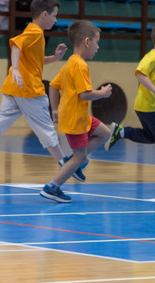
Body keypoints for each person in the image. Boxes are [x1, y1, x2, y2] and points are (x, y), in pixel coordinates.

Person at [0, 0, 74, 178]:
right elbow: (16, 45)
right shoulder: (35, 32)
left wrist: (54, 58)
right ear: (44, 14)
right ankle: (65, 164)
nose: (56, 19)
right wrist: (16, 69)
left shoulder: (35, 32)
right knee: (45, 126)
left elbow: (34, 61)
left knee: (1, 121)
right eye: (54, 15)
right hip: (28, 88)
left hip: (15, 87)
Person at [41, 21, 113, 202]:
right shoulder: (80, 65)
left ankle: (73, 162)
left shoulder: (69, 63)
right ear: (87, 42)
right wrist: (103, 93)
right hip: (75, 119)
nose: (98, 47)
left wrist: (55, 109)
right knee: (80, 157)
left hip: (79, 116)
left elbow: (53, 86)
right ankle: (53, 187)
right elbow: (85, 94)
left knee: (105, 133)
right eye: (97, 42)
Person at [105, 19, 155, 182]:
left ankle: (121, 132)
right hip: (149, 105)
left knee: (151, 136)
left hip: (146, 105)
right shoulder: (153, 57)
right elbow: (140, 74)